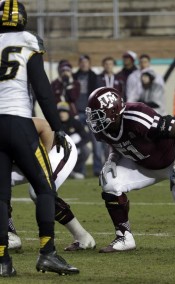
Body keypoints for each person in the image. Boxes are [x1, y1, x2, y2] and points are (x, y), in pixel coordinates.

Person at [85, 87, 175, 253]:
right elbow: (117, 142)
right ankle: (124, 237)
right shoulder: (105, 127)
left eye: (98, 114)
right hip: (145, 162)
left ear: (113, 111)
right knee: (110, 182)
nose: (94, 120)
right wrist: (112, 159)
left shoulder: (137, 116)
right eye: (92, 114)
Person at [0, 0, 79, 276]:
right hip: (19, 123)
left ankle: (2, 262)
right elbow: (43, 90)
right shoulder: (28, 41)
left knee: (0, 195)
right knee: (45, 188)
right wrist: (56, 126)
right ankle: (47, 253)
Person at [9, 117, 96, 251]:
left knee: (38, 191)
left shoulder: (8, 122)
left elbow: (45, 125)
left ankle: (83, 237)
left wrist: (37, 167)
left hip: (55, 148)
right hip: (25, 158)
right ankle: (10, 235)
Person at [73, 54, 104, 176]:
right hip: (77, 113)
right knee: (78, 142)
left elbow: (99, 95)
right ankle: (80, 169)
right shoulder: (74, 77)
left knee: (97, 142)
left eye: (86, 62)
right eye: (82, 62)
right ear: (79, 64)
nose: (84, 64)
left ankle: (97, 169)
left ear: (89, 64)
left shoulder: (95, 77)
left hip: (91, 113)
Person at [57, 102, 91, 179]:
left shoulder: (75, 122)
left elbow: (86, 137)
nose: (62, 114)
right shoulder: (56, 123)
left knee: (86, 150)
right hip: (60, 148)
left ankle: (76, 171)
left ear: (68, 112)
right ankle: (63, 172)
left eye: (64, 111)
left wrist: (75, 146)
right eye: (60, 112)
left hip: (75, 147)